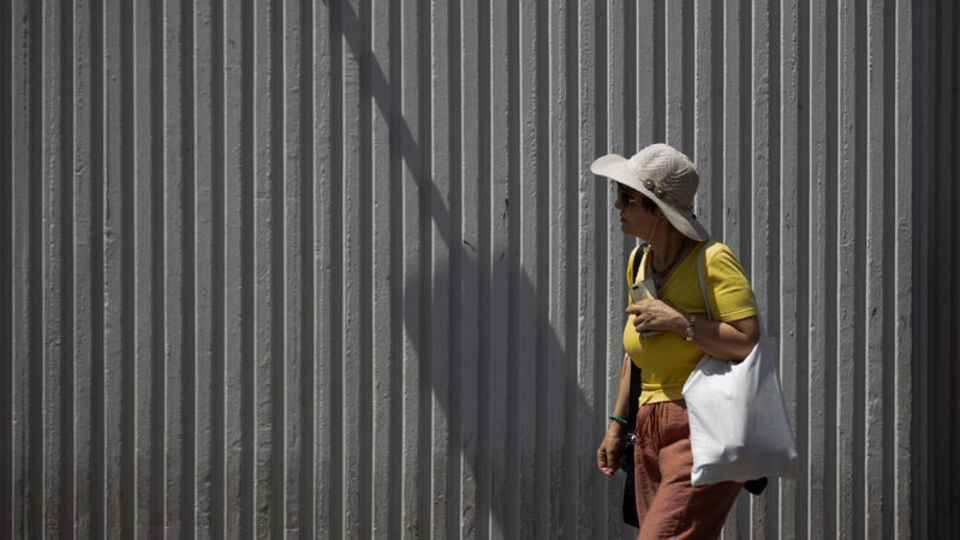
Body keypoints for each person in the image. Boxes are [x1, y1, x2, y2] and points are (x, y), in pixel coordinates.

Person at [591, 144, 760, 539]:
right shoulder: (639, 262)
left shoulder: (712, 260)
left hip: (700, 425)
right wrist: (617, 426)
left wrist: (680, 322)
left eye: (627, 197)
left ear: (657, 208)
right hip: (648, 429)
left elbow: (747, 340)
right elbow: (636, 354)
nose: (617, 206)